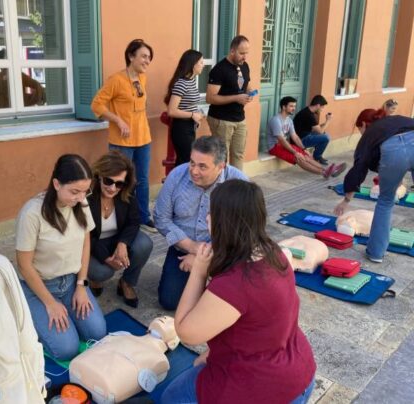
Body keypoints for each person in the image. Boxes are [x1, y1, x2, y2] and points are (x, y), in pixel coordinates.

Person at [161, 179, 316, 404]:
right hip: (299, 372)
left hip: (266, 388)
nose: (207, 218)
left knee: (172, 397)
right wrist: (214, 353)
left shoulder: (235, 284)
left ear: (224, 222)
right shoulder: (274, 252)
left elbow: (186, 332)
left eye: (211, 213)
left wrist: (199, 271)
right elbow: (258, 322)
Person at [15, 154, 106, 361]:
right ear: (56, 184)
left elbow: (85, 243)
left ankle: (59, 317)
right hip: (39, 287)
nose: (81, 198)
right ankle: (27, 315)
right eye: (74, 191)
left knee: (97, 333)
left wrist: (81, 285)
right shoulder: (32, 213)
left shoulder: (80, 203)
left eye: (85, 191)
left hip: (71, 282)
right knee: (66, 349)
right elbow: (24, 265)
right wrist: (50, 303)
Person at [153, 136, 248, 311]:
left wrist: (203, 254)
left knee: (226, 303)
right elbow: (161, 218)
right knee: (169, 301)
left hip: (223, 251)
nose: (194, 171)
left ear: (221, 166)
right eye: (192, 163)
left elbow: (243, 229)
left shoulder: (239, 183)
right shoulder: (176, 176)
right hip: (183, 247)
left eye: (202, 166)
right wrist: (191, 247)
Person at [91, 39, 156, 232]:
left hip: (143, 138)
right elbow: (96, 105)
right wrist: (118, 120)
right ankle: (118, 219)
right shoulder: (116, 80)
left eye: (149, 58)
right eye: (144, 56)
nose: (147, 61)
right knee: (117, 181)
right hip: (122, 142)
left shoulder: (143, 78)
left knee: (142, 180)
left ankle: (143, 217)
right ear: (130, 56)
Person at [334, 109, 414, 263]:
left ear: (364, 124)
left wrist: (346, 200)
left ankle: (376, 253)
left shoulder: (370, 134)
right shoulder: (396, 120)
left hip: (394, 151)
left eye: (359, 129)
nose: (361, 133)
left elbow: (359, 168)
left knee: (385, 202)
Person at [87, 151, 153, 308]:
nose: (112, 188)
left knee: (144, 244)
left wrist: (123, 244)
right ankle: (94, 279)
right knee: (103, 272)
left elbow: (133, 222)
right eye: (108, 181)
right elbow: (85, 235)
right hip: (91, 244)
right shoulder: (86, 196)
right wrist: (105, 258)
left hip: (116, 239)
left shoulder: (126, 192)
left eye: (119, 183)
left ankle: (126, 282)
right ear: (99, 176)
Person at [206, 35, 255, 170]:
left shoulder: (244, 66)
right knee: (221, 157)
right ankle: (221, 182)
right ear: (232, 51)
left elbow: (247, 84)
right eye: (242, 53)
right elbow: (210, 98)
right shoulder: (219, 69)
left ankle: (236, 183)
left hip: (240, 118)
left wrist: (250, 93)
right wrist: (236, 98)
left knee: (238, 155)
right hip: (221, 120)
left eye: (247, 53)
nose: (245, 57)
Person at [267, 96, 346, 178]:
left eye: (294, 106)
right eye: (291, 106)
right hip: (275, 147)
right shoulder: (276, 120)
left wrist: (304, 149)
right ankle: (324, 173)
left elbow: (295, 137)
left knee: (306, 155)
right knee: (298, 158)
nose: (293, 108)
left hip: (284, 145)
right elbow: (281, 140)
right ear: (284, 107)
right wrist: (295, 152)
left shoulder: (289, 120)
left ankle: (328, 169)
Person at [164, 49, 205, 166]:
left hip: (189, 127)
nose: (203, 65)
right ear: (193, 64)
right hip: (181, 129)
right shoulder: (181, 83)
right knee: (186, 162)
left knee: (185, 162)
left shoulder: (191, 82)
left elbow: (189, 105)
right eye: (201, 62)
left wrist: (196, 116)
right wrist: (192, 115)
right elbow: (171, 111)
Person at [293, 94, 332, 165]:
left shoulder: (307, 111)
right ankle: (317, 157)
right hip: (300, 140)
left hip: (304, 135)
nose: (322, 109)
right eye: (322, 107)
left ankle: (318, 156)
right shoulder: (309, 115)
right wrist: (328, 121)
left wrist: (325, 123)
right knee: (326, 137)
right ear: (318, 105)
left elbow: (316, 128)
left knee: (324, 134)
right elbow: (320, 131)